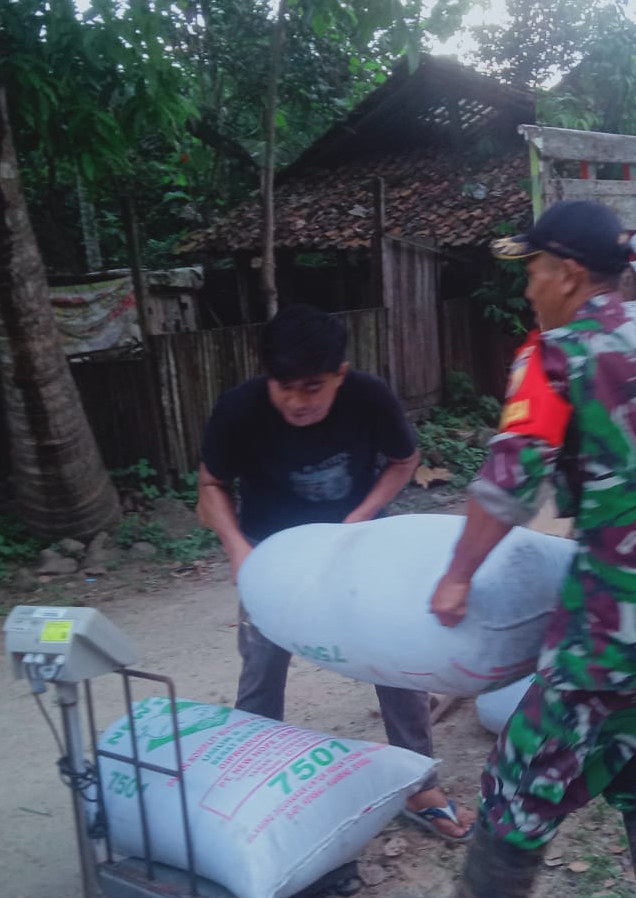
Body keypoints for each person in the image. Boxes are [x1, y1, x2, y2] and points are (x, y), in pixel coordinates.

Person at [382, 200, 636, 898]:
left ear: (569, 274)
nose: (528, 286)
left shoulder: (555, 355)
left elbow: (511, 477)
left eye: (534, 269)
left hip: (618, 632)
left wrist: (456, 577)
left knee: (525, 765)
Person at [195, 304, 472, 840]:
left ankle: (418, 783)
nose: (298, 401)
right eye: (285, 387)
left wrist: (359, 518)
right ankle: (245, 791)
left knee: (392, 658)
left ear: (339, 375)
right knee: (261, 667)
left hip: (357, 545)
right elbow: (211, 485)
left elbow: (403, 461)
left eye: (312, 387)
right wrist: (237, 549)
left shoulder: (369, 397)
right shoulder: (239, 409)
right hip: (270, 555)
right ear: (268, 379)